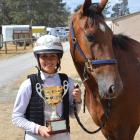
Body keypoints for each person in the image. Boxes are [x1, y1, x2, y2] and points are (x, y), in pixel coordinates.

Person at [12, 35, 82, 140]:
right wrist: (38, 128)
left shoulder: (68, 82)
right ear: (38, 59)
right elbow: (17, 117)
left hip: (62, 137)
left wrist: (78, 100)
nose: (48, 60)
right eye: (44, 56)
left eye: (52, 56)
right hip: (36, 137)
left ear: (58, 59)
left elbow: (72, 114)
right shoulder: (28, 84)